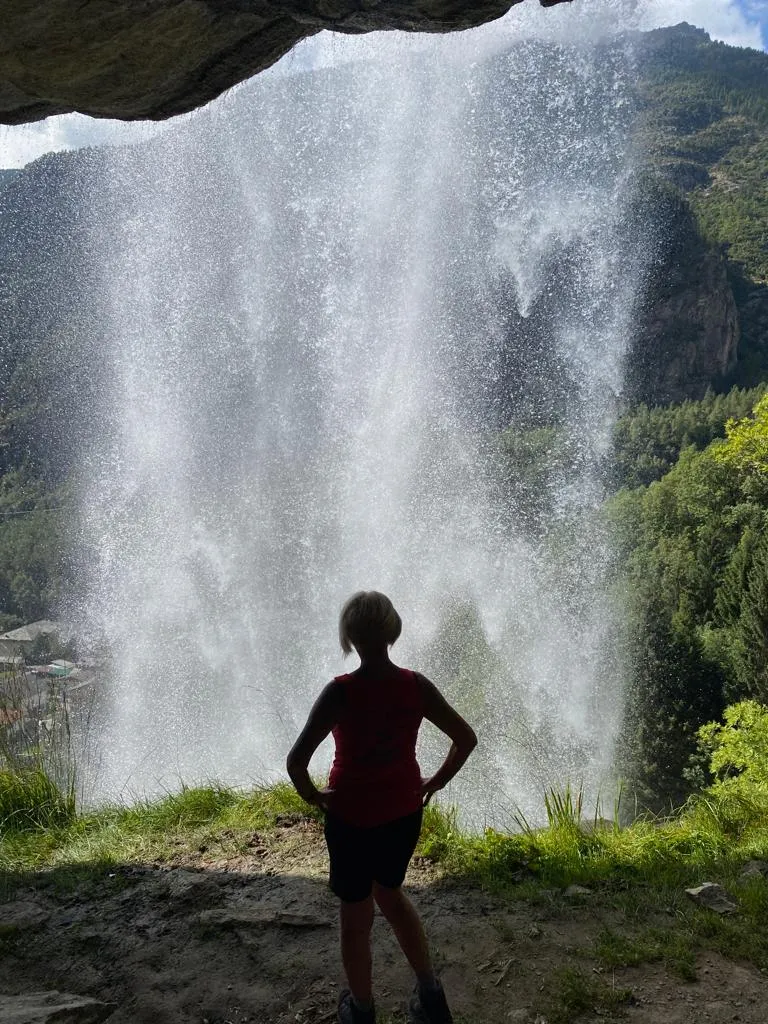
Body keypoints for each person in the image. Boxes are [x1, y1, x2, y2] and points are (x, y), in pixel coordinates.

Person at [286, 590, 478, 1024]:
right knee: (390, 894)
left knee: (356, 917)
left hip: (350, 818)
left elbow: (296, 762)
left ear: (349, 638)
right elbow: (465, 739)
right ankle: (430, 995)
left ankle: (362, 1009)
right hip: (403, 812)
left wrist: (312, 795)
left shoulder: (339, 693)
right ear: (394, 631)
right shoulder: (416, 686)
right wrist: (434, 783)